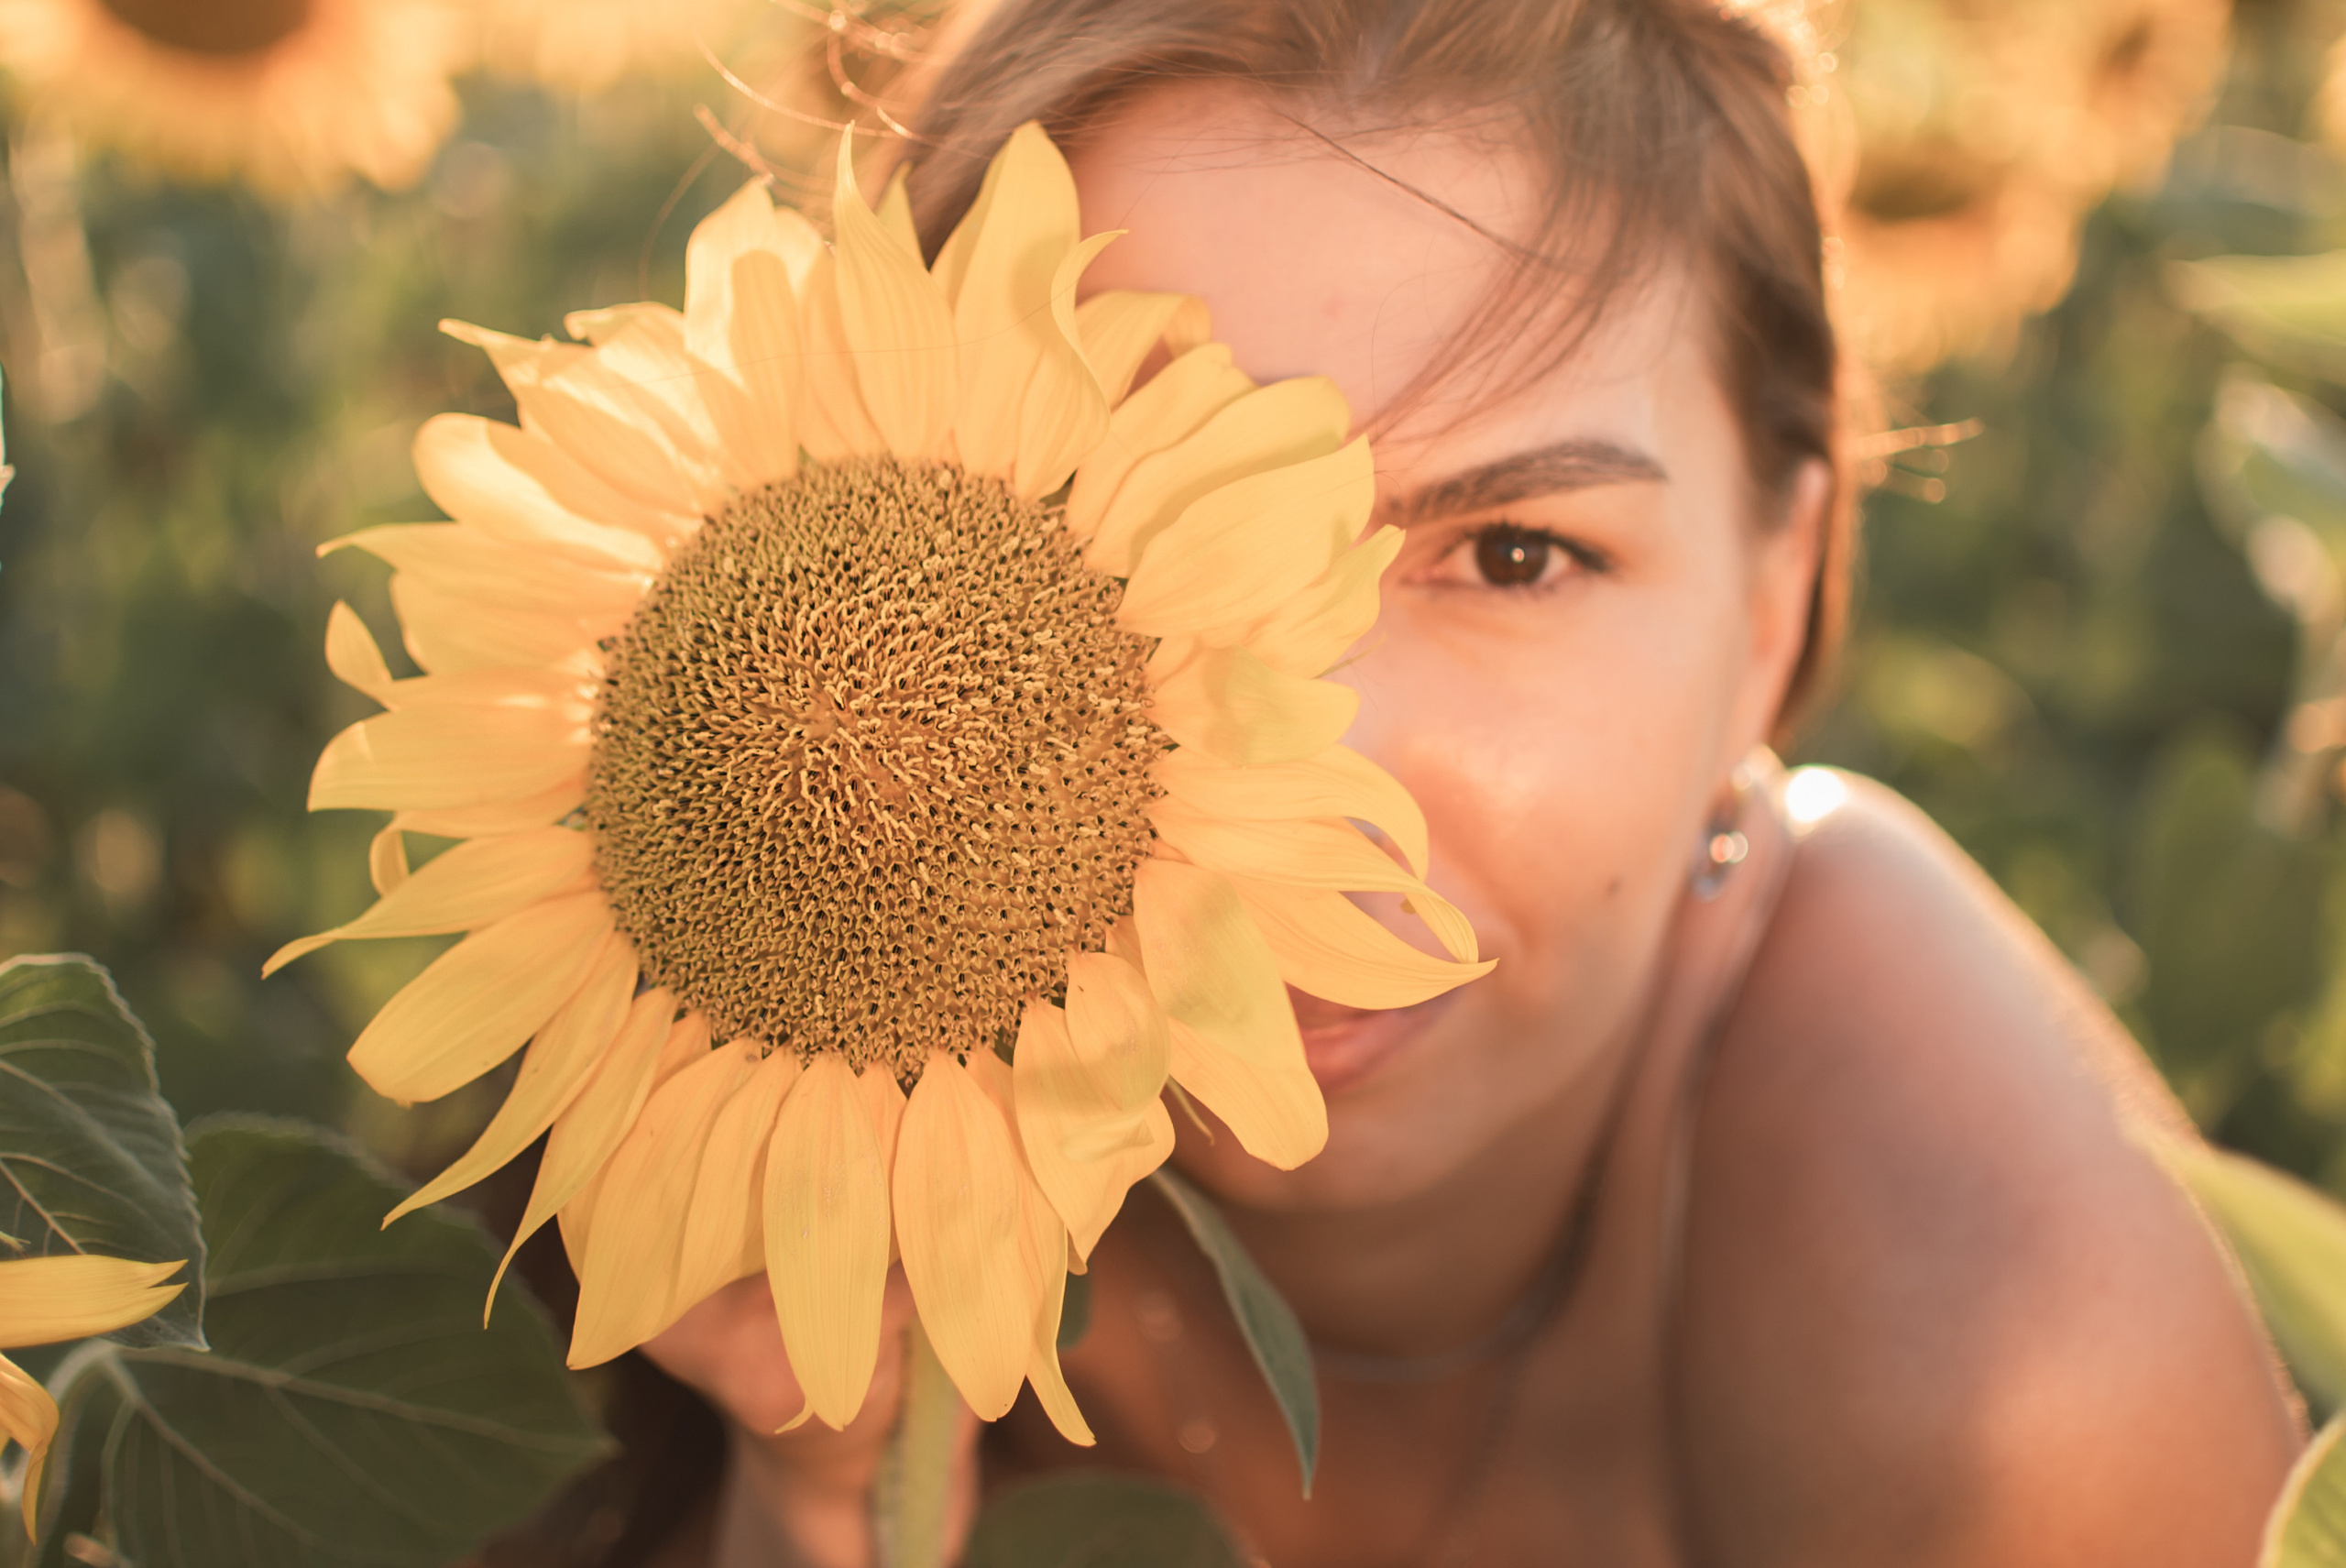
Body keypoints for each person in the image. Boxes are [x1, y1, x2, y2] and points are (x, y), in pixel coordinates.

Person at [626, 1, 2306, 1563]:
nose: (1314, 771)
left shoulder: (2005, 1370)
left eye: (1514, 554)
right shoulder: (730, 1022)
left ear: (1773, 599)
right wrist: (816, 1498)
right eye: (1106, 545)